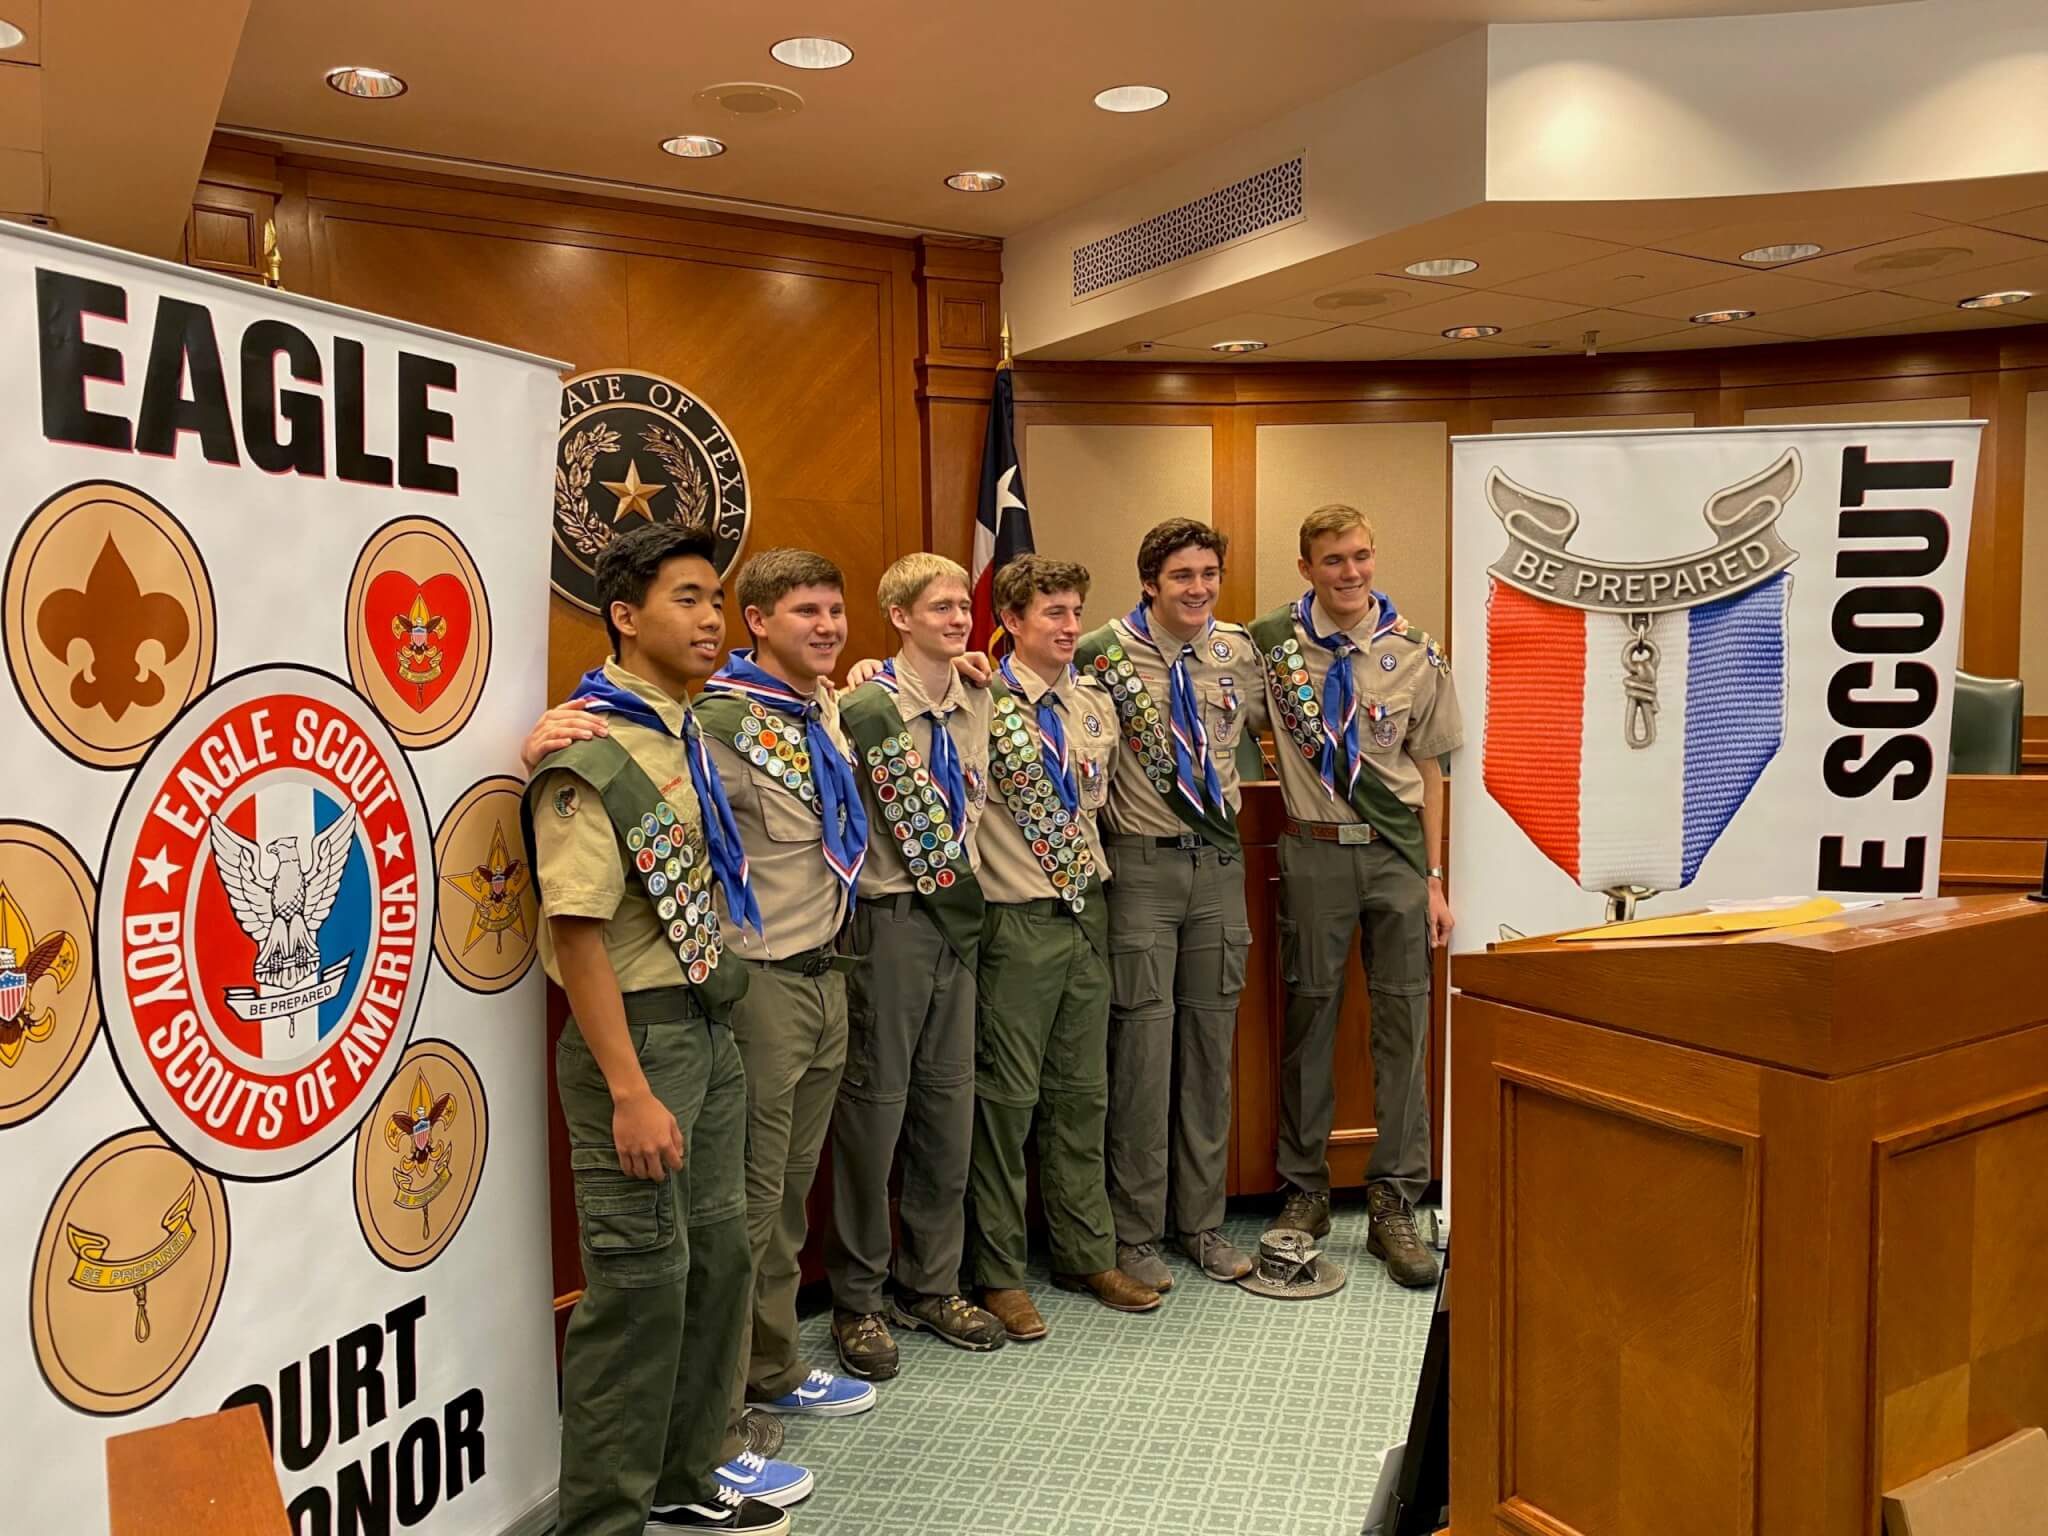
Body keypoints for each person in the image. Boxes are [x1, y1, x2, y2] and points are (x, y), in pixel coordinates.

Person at [524, 547, 874, 1511]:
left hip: (711, 1022)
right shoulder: (593, 750)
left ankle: (688, 1476)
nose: (712, 617)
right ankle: (603, 1520)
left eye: (717, 599)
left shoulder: (685, 729)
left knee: (719, 1261)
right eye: (688, 599)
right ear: (625, 616)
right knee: (638, 1291)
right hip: (642, 1040)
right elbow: (578, 935)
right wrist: (629, 1091)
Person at [1248, 504, 1460, 1288]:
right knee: (1309, 1019)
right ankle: (1303, 1190)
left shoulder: (1415, 651)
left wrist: (1434, 878)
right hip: (1313, 852)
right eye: (1334, 560)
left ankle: (1394, 1199)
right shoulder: (1269, 647)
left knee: (1405, 1021)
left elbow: (1431, 768)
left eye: (1362, 556)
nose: (1351, 572)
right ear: (1306, 567)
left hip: (1397, 858)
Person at [967, 555, 1160, 1339]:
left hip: (1087, 912)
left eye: (1077, 611)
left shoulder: (1093, 706)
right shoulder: (976, 701)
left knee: (1083, 1095)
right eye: (1053, 612)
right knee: (1007, 1105)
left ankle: (1086, 1252)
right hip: (1015, 922)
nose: (1071, 625)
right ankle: (1000, 1273)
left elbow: (1101, 806)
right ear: (1012, 621)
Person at [825, 554, 1005, 1379]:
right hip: (890, 922)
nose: (958, 618)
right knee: (875, 1114)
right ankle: (858, 1298)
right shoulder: (860, 706)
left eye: (962, 606)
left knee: (948, 1107)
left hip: (957, 921)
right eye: (939, 607)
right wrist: (865, 672)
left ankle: (931, 1282)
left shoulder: (978, 695)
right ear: (898, 617)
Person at [1073, 519, 1262, 1289]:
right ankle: (1136, 1233)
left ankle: (1202, 1225)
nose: (1199, 588)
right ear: (1150, 582)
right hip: (1141, 871)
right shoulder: (1100, 655)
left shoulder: (1239, 653)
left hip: (1218, 868)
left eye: (1209, 573)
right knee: (1142, 1058)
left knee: (1210, 1054)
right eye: (1183, 575)